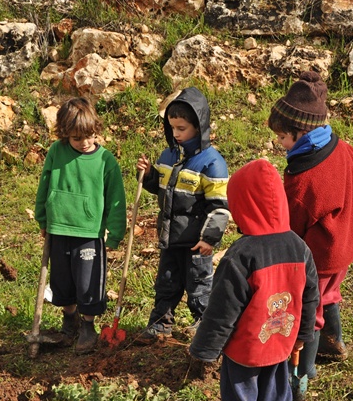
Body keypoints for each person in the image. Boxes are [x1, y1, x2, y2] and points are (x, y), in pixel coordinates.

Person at [189, 159, 319, 401]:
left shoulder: (241, 255)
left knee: (239, 398)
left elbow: (222, 311)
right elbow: (310, 297)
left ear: (242, 206)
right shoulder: (300, 247)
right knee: (275, 392)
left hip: (246, 348)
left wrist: (204, 350)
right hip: (281, 342)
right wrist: (302, 336)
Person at [268, 70, 353, 401]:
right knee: (330, 293)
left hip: (321, 254)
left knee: (308, 308)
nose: (280, 144)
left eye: (283, 137)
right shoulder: (341, 146)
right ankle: (334, 342)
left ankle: (302, 377)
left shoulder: (304, 179)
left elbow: (291, 227)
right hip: (346, 240)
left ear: (301, 132)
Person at [135, 87, 230, 345]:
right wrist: (149, 175)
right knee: (166, 284)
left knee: (198, 286)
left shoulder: (212, 163)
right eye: (172, 128)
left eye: (182, 129)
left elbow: (220, 207)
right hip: (170, 238)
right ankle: (160, 324)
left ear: (199, 127)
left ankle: (206, 324)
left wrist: (210, 238)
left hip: (196, 243)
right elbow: (160, 188)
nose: (176, 134)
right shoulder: (169, 156)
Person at [34, 97, 126, 354]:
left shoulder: (106, 162)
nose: (85, 143)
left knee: (88, 281)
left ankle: (88, 325)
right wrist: (43, 218)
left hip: (88, 232)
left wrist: (115, 234)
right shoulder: (56, 152)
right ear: (64, 134)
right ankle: (69, 319)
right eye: (76, 138)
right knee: (62, 280)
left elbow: (117, 201)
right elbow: (44, 185)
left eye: (90, 136)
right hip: (58, 228)